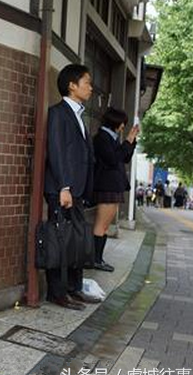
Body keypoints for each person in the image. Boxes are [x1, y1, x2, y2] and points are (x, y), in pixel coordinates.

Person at [44, 64, 101, 310]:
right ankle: (57, 292)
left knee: (76, 240)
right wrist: (64, 187)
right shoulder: (58, 113)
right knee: (60, 239)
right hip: (62, 189)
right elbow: (56, 151)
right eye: (87, 82)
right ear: (72, 85)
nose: (90, 87)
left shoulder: (78, 114)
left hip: (77, 190)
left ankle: (74, 288)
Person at [91, 107, 138, 272]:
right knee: (101, 225)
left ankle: (98, 258)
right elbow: (112, 160)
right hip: (106, 186)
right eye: (122, 123)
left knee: (104, 225)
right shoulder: (102, 138)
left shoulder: (112, 138)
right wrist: (127, 142)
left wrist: (131, 141)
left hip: (113, 186)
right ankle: (95, 259)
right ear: (115, 123)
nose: (123, 127)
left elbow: (124, 158)